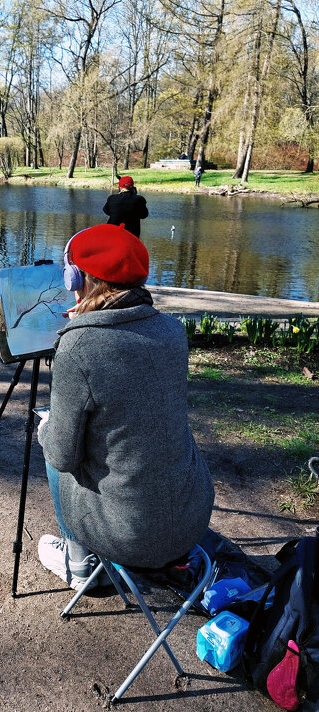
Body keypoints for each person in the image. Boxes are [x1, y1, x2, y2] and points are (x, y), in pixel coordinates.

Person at [37, 224, 215, 590]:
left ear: (76, 278)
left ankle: (81, 564)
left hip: (128, 535)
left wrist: (46, 429)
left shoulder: (79, 347)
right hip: (192, 516)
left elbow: (63, 457)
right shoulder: (171, 330)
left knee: (51, 439)